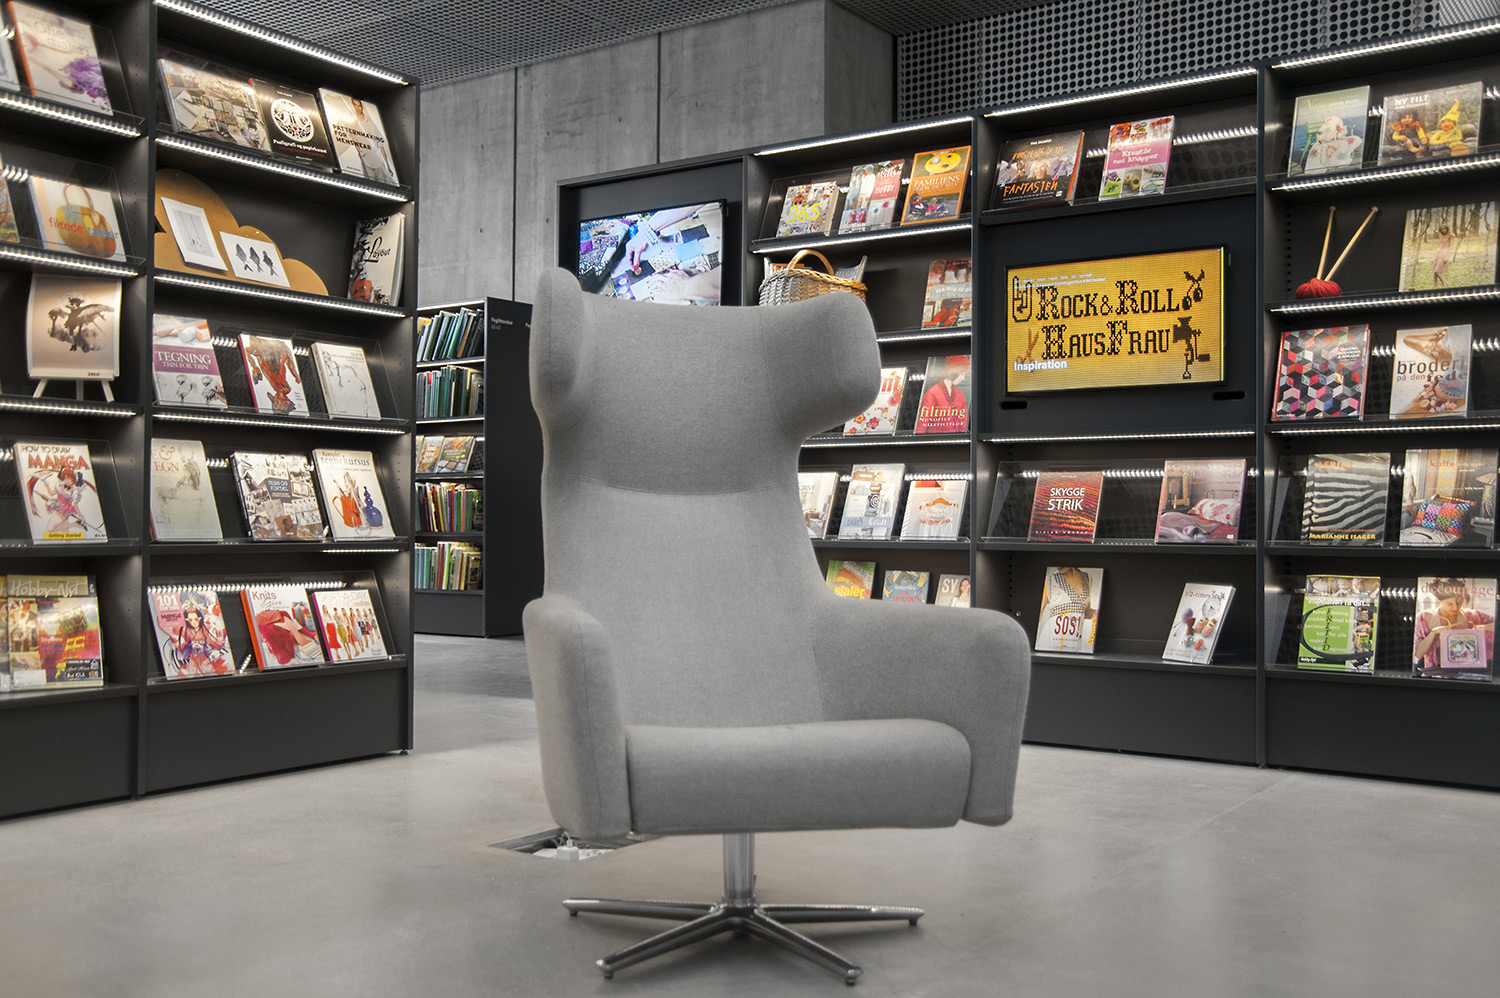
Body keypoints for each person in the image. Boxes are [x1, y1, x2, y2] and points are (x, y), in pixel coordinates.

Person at [1413, 578, 1494, 673]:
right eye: (1450, 604)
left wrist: (1483, 628)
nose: (1455, 607)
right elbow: (1417, 654)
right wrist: (1433, 633)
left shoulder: (1474, 616)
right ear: (1439, 600)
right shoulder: (1424, 618)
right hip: (1438, 673)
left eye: (1459, 602)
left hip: (1470, 671)